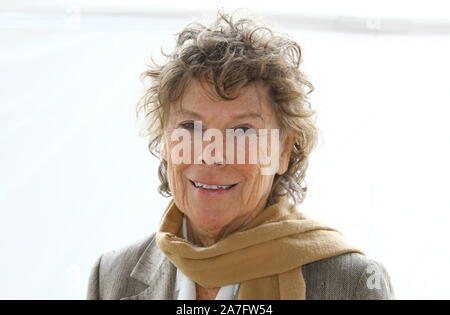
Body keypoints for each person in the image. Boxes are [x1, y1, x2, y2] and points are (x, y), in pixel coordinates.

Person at [87, 9, 395, 300]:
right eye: (191, 127)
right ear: (166, 141)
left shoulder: (354, 283)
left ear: (284, 151)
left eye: (243, 132)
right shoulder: (113, 277)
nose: (212, 155)